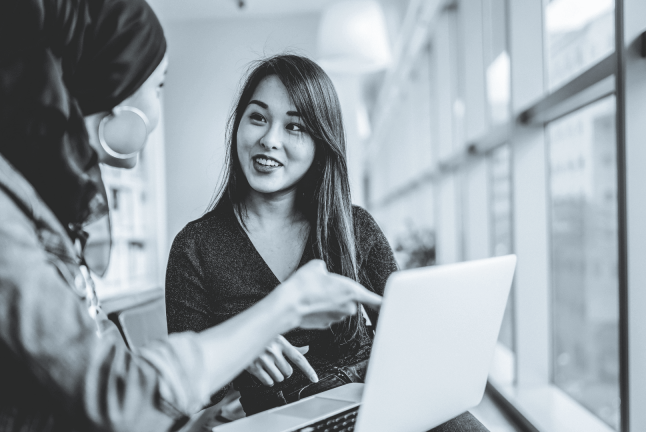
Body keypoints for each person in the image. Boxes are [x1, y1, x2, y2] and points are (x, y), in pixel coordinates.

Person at [0, 1, 381, 431]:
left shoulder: (41, 208)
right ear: (116, 90)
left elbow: (113, 381)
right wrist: (281, 309)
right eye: (158, 87)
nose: (156, 108)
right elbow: (116, 398)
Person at [165, 54, 488, 431]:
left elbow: (405, 337)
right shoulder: (195, 247)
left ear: (322, 142)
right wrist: (240, 349)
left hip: (375, 401)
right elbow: (183, 394)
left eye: (295, 127)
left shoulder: (354, 226)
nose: (270, 140)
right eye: (258, 118)